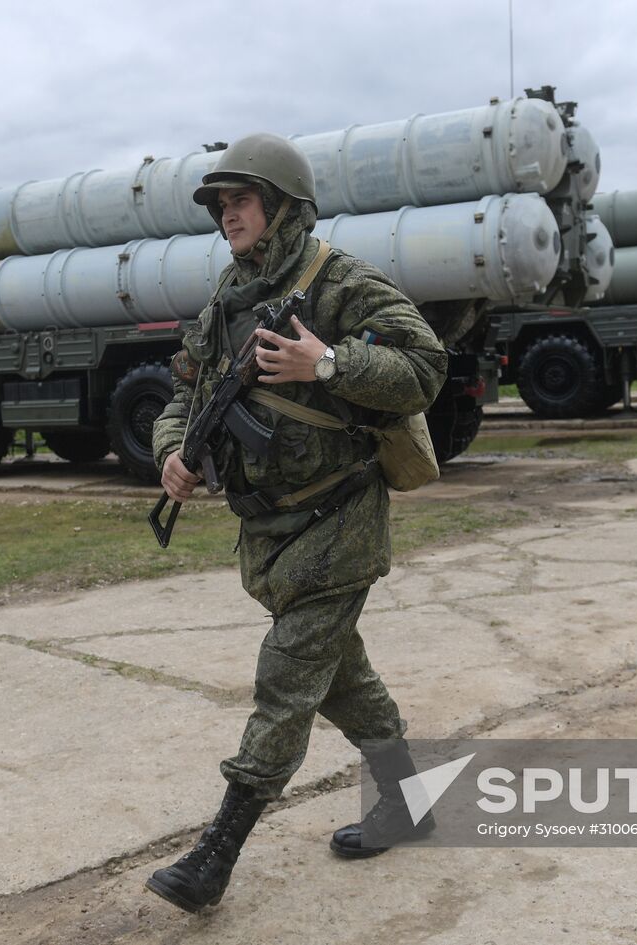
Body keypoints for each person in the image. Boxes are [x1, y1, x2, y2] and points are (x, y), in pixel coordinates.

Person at [145, 133, 448, 913]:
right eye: (219, 203)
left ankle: (214, 858)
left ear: (284, 207)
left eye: (240, 200)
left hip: (340, 521)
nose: (225, 215)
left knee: (285, 681)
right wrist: (174, 450)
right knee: (341, 675)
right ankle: (408, 801)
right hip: (271, 532)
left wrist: (329, 363)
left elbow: (426, 367)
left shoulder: (339, 281)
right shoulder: (227, 296)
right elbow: (185, 388)